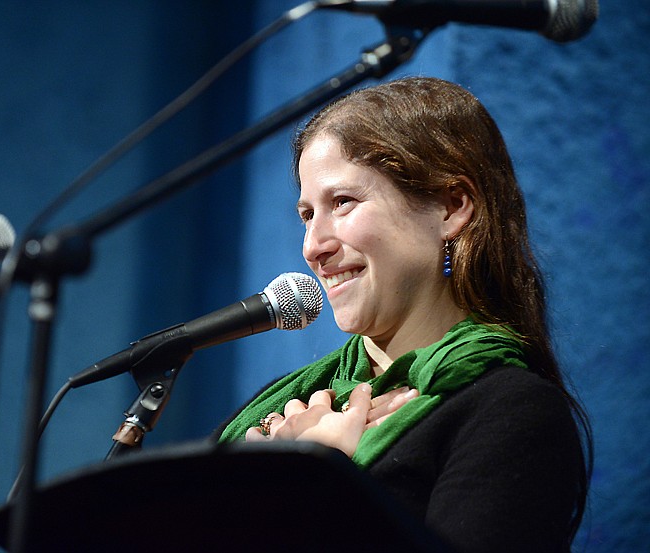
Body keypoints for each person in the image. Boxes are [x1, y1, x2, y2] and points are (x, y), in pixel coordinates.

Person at [215, 77, 591, 553]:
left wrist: (318, 486)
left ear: (451, 207)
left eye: (343, 203)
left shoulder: (509, 412)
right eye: (308, 214)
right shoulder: (288, 408)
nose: (313, 247)